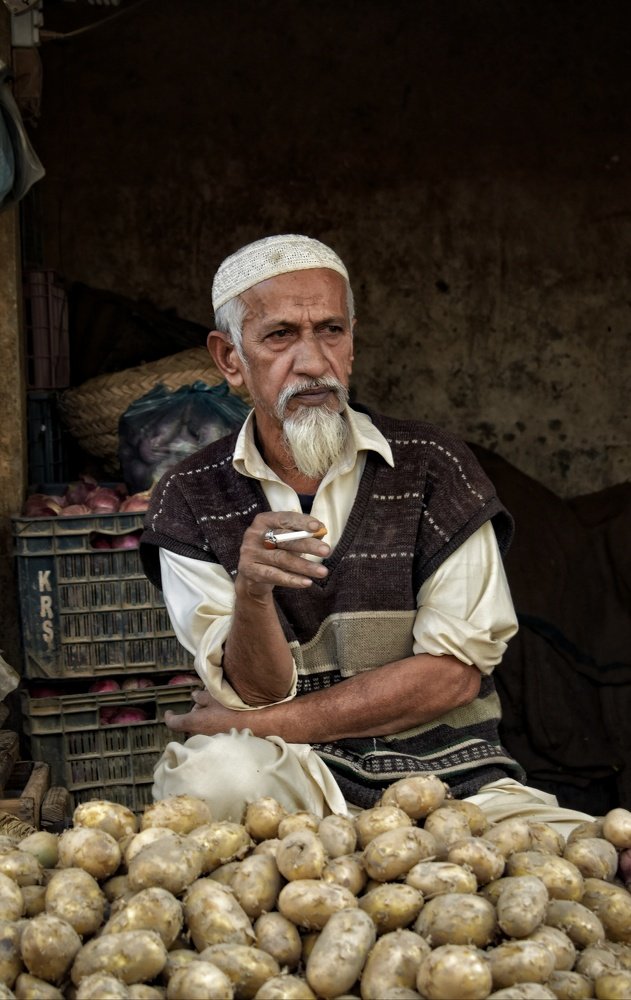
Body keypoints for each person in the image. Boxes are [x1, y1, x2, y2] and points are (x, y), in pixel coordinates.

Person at [139, 234, 614, 845]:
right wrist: (252, 593)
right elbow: (252, 690)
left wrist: (257, 725)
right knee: (211, 779)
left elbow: (451, 676)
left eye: (330, 331)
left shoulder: (434, 466)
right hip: (295, 777)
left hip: (451, 777)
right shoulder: (190, 495)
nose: (312, 362)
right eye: (280, 335)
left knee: (590, 854)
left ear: (353, 342)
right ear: (230, 359)